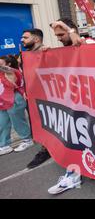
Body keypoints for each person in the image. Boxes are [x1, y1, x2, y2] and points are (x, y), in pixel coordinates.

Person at [46, 18, 85, 195]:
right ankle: (73, 174)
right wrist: (47, 55)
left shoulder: (86, 43)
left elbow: (78, 42)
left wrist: (70, 31)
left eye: (61, 34)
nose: (59, 38)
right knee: (74, 138)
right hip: (75, 105)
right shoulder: (64, 50)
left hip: (93, 107)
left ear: (71, 30)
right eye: (56, 36)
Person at [23, 29, 53, 169]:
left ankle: (47, 149)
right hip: (31, 97)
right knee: (37, 123)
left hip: (46, 98)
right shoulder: (25, 56)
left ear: (36, 40)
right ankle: (45, 148)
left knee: (47, 123)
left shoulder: (47, 52)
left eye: (25, 37)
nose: (22, 40)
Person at [0, 55, 33, 155]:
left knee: (17, 121)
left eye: (0, 62)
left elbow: (10, 74)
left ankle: (27, 140)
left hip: (14, 98)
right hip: (3, 101)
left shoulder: (13, 71)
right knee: (3, 123)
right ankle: (4, 145)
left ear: (8, 64)